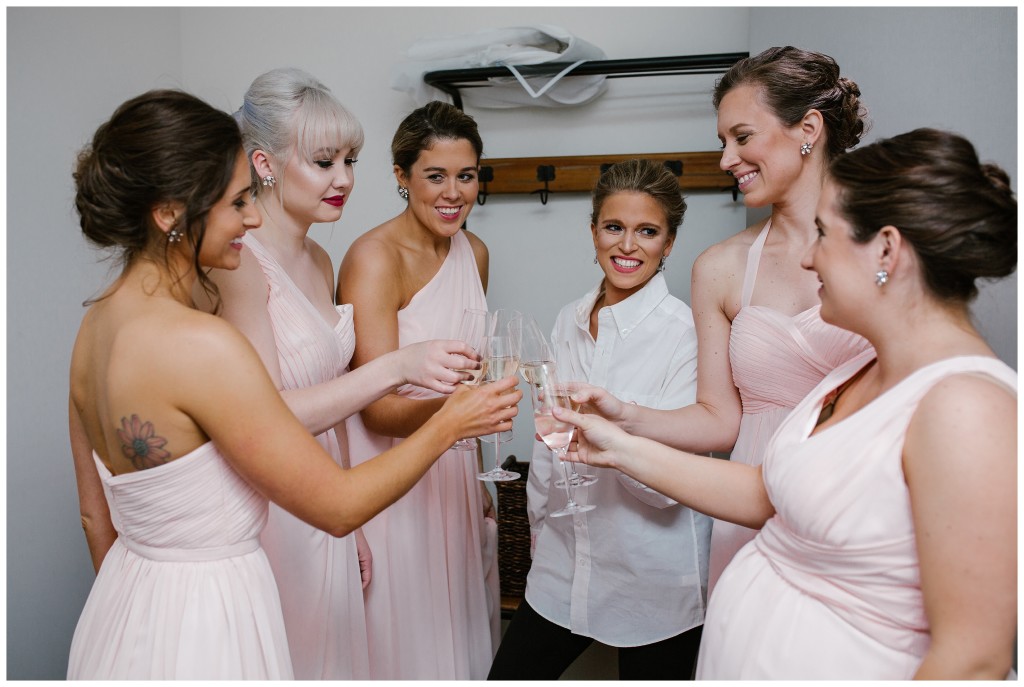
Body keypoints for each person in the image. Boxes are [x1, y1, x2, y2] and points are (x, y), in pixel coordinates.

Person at [66, 89, 521, 680]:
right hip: (210, 618)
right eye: (235, 204)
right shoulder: (202, 346)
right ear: (170, 214)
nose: (251, 218)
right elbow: (336, 507)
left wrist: (139, 621)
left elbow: (94, 519)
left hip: (122, 609)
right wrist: (453, 421)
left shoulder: (94, 324)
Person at [559, 128, 1017, 679]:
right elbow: (764, 494)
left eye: (824, 234)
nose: (806, 260)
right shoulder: (854, 372)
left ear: (887, 251)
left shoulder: (969, 408)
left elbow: (972, 660)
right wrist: (616, 446)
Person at [194, 67, 483, 680]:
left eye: (349, 160)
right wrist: (396, 367)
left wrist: (350, 520)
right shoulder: (240, 263)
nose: (345, 180)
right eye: (325, 162)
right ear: (265, 163)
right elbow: (260, 418)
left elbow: (332, 404)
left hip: (329, 488)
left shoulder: (319, 255)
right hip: (274, 499)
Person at [572, 47, 872, 595]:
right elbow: (718, 420)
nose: (726, 159)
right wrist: (624, 417)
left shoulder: (884, 242)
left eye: (742, 136)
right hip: (749, 505)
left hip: (862, 494)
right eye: (723, 143)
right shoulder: (719, 267)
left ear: (808, 127)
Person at [488, 159, 708, 679]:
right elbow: (548, 441)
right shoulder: (568, 318)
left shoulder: (686, 335)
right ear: (592, 231)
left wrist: (605, 436)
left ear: (669, 243)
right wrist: (540, 526)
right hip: (563, 564)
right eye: (614, 227)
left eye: (647, 231)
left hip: (652, 579)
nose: (627, 246)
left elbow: (668, 489)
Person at [337, 100, 497, 680]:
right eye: (435, 176)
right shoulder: (373, 259)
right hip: (395, 476)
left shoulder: (474, 253)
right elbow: (375, 408)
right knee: (409, 648)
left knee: (459, 635)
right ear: (402, 178)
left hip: (454, 473)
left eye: (466, 175)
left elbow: (470, 376)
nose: (453, 192)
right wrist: (461, 414)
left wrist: (480, 478)